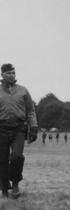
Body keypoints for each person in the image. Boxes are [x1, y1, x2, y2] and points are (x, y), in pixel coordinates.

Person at [0, 63, 38, 198]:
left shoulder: (23, 90)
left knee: (17, 156)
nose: (12, 75)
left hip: (19, 129)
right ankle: (4, 189)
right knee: (2, 160)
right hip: (2, 129)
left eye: (13, 73)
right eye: (9, 73)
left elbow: (31, 111)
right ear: (2, 75)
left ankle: (15, 183)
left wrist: (33, 127)